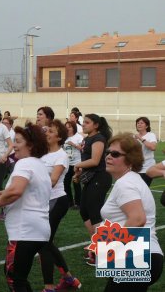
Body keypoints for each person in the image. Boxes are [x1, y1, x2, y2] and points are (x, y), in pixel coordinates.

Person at [0, 124, 51, 292]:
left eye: (17, 142)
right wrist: (4, 195)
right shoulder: (39, 164)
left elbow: (16, 191)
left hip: (25, 231)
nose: (13, 145)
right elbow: (25, 192)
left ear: (30, 145)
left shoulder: (24, 163)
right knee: (18, 277)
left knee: (15, 279)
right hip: (38, 230)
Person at [100, 133, 163, 291]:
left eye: (115, 154)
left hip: (138, 255)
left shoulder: (125, 183)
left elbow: (137, 219)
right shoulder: (132, 180)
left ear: (130, 160)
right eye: (108, 152)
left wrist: (111, 246)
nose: (108, 156)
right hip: (143, 256)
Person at [38, 120, 81, 292]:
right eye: (46, 131)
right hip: (43, 202)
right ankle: (70, 279)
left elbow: (53, 181)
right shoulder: (41, 154)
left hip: (57, 201)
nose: (46, 133)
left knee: (43, 243)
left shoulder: (61, 155)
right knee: (47, 243)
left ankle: (49, 287)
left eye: (51, 131)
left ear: (59, 137)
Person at [73, 113, 112, 266]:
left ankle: (102, 252)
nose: (84, 125)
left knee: (95, 213)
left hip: (100, 178)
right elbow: (86, 160)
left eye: (87, 123)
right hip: (90, 178)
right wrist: (79, 173)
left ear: (96, 125)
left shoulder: (99, 138)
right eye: (84, 122)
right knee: (84, 211)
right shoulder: (87, 139)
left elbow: (95, 161)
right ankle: (96, 244)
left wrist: (77, 166)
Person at [63, 121, 83, 209]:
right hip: (67, 164)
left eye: (69, 127)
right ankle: (69, 202)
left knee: (76, 183)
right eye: (66, 127)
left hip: (77, 164)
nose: (67, 128)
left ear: (73, 128)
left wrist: (74, 144)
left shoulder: (78, 137)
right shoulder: (64, 138)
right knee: (66, 183)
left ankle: (78, 203)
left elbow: (83, 149)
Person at [133, 117, 157, 186]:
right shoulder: (134, 137)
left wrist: (141, 138)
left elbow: (153, 147)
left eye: (141, 123)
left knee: (143, 188)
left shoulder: (151, 135)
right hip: (136, 167)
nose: (139, 124)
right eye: (138, 123)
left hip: (147, 167)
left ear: (146, 126)